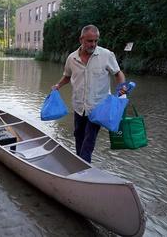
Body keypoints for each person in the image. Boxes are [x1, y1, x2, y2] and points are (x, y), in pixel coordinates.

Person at [52, 25, 126, 163]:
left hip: (98, 107)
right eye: (89, 41)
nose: (93, 44)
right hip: (79, 106)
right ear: (81, 39)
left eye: (95, 41)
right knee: (78, 136)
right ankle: (80, 163)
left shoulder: (106, 55)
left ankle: (83, 168)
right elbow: (67, 76)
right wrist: (58, 85)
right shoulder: (71, 58)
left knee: (89, 140)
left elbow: (118, 73)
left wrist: (122, 87)